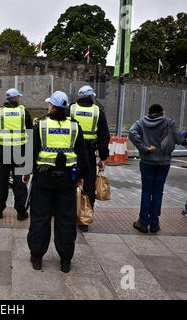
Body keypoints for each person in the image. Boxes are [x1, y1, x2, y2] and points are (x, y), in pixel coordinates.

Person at [27, 91, 89, 273]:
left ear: (52, 107)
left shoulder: (41, 125)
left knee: (40, 218)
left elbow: (32, 151)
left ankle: (37, 256)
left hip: (43, 179)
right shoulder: (75, 127)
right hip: (67, 181)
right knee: (66, 220)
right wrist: (81, 177)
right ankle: (65, 260)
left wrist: (26, 173)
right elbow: (82, 155)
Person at [129, 104, 185, 233]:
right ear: (162, 112)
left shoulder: (141, 122)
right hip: (164, 162)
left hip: (147, 161)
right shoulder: (169, 122)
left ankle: (143, 222)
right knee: (158, 192)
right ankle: (154, 223)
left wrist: (144, 147)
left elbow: (132, 133)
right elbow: (179, 138)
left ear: (149, 112)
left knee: (146, 191)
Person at [0, 88, 33, 221]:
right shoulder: (23, 112)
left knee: (1, 181)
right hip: (20, 151)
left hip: (3, 152)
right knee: (19, 182)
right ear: (16, 98)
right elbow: (31, 132)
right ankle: (21, 212)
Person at [70, 85, 110, 232]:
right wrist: (103, 158)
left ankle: (67, 214)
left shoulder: (71, 109)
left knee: (70, 183)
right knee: (88, 186)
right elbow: (104, 137)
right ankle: (84, 220)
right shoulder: (97, 111)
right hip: (88, 154)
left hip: (72, 152)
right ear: (91, 96)